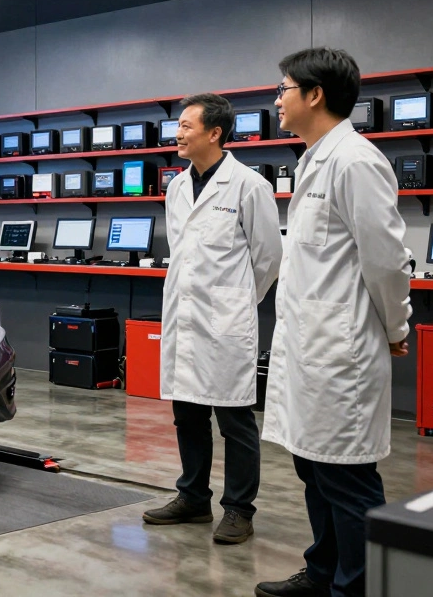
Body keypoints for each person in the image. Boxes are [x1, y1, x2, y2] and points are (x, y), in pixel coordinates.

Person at [256, 48, 412, 597]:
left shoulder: (356, 161)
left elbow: (387, 262)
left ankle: (359, 588)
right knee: (314, 472)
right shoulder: (312, 160)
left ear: (315, 94)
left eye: (284, 89)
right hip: (308, 350)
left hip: (339, 353)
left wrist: (397, 328)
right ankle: (323, 573)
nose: (277, 100)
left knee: (347, 479)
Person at [143, 93, 282, 545]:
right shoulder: (177, 186)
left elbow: (268, 258)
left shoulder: (248, 185)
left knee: (235, 421)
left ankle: (239, 508)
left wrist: (237, 300)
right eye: (177, 126)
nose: (177, 133)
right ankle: (193, 498)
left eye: (186, 126)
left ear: (214, 133)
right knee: (187, 414)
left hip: (225, 320)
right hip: (185, 315)